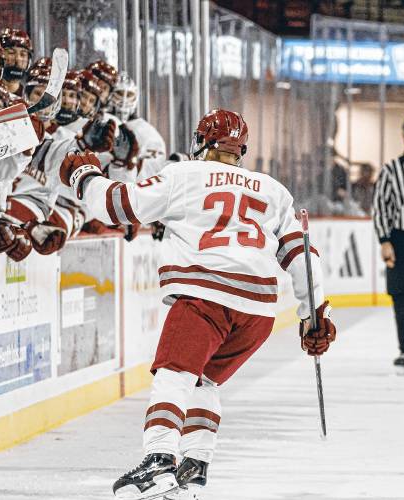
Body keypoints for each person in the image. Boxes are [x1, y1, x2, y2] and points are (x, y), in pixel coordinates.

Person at [59, 108, 337, 499]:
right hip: (258, 311)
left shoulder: (183, 175)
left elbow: (119, 206)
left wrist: (84, 177)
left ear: (202, 142)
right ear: (241, 150)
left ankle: (158, 461)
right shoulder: (272, 189)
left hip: (206, 295)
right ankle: (197, 460)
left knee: (173, 375)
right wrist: (315, 314)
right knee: (204, 378)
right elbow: (302, 255)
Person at [373, 115, 404, 372]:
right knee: (403, 297)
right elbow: (381, 208)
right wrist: (385, 241)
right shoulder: (391, 170)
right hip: (402, 239)